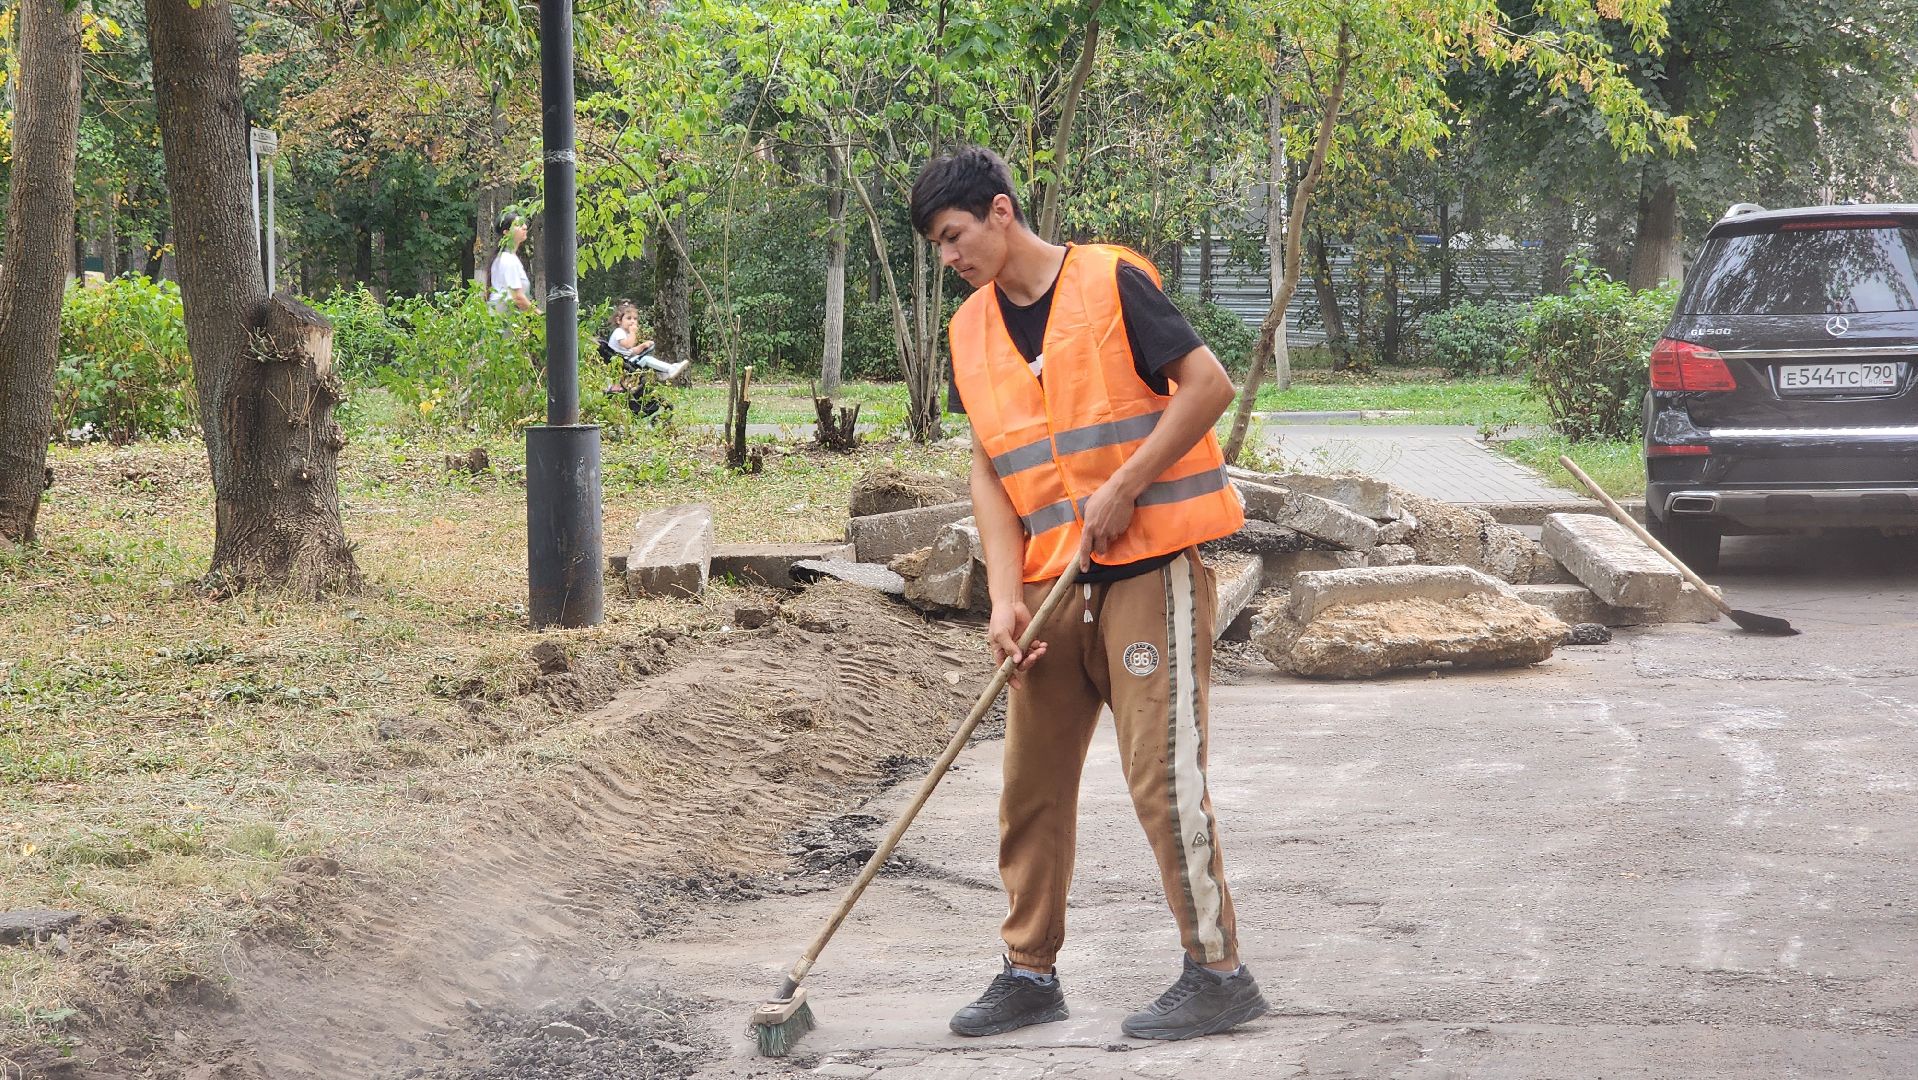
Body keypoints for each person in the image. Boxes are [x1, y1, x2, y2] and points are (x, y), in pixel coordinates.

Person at [910, 146, 1267, 1043]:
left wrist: (1128, 483)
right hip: (1049, 584)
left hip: (1149, 567)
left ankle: (1218, 971)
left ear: (1000, 212)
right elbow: (992, 472)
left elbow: (1208, 385)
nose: (950, 259)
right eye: (938, 248)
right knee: (1030, 781)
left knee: (1160, 775)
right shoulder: (970, 333)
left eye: (954, 237)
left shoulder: (1111, 282)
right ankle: (1029, 974)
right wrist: (1002, 598)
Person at [607, 300, 689, 380]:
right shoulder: (619, 332)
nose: (633, 321)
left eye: (635, 319)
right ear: (619, 320)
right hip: (622, 363)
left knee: (647, 358)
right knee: (646, 359)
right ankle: (670, 369)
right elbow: (628, 345)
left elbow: (631, 351)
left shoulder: (626, 333)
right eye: (629, 318)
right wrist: (633, 333)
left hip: (626, 361)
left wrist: (643, 346)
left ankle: (663, 372)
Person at [488, 213, 535, 315]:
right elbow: (518, 297)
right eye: (518, 225)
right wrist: (540, 317)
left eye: (524, 224)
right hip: (501, 323)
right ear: (507, 232)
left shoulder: (510, 258)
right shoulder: (507, 259)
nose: (525, 227)